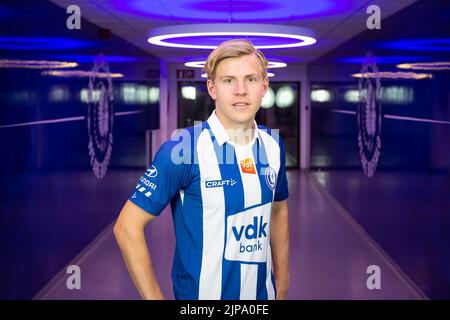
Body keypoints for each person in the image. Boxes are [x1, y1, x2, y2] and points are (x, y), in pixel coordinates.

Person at [113, 39, 289, 300]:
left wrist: (282, 287)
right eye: (229, 80)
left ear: (264, 86)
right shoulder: (182, 150)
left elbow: (278, 211)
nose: (241, 90)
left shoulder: (273, 144)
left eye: (250, 79)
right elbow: (127, 227)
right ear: (212, 88)